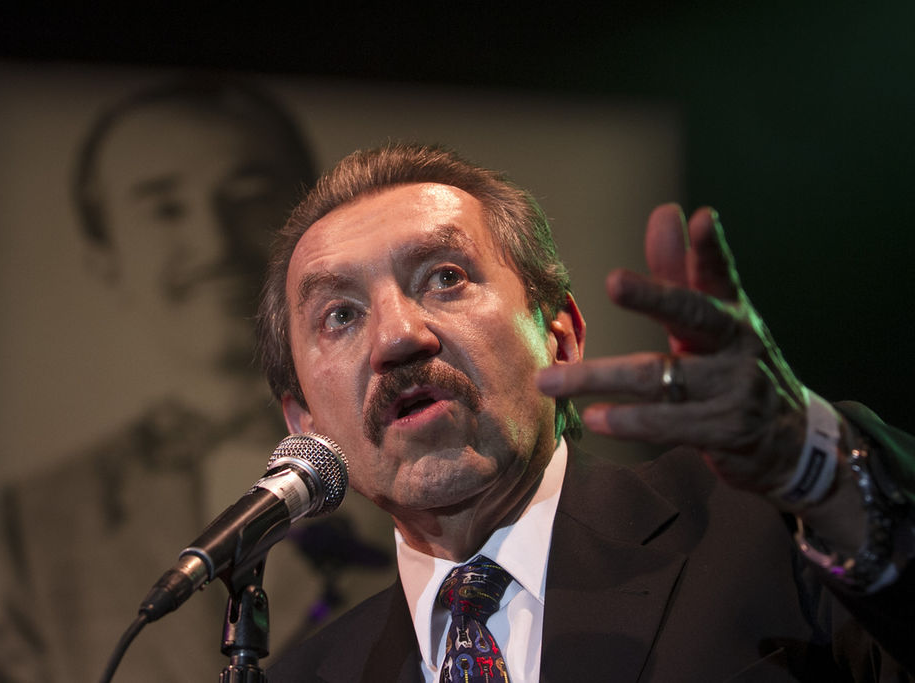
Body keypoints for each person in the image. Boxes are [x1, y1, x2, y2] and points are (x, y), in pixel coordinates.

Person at [257, 143, 915, 681]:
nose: (398, 336)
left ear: (560, 337)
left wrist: (818, 468)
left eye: (444, 277)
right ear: (305, 422)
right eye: (339, 315)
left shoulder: (771, 532)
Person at [0, 78, 395, 683]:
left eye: (248, 198)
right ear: (104, 256)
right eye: (165, 209)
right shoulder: (45, 520)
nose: (213, 243)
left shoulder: (424, 456)